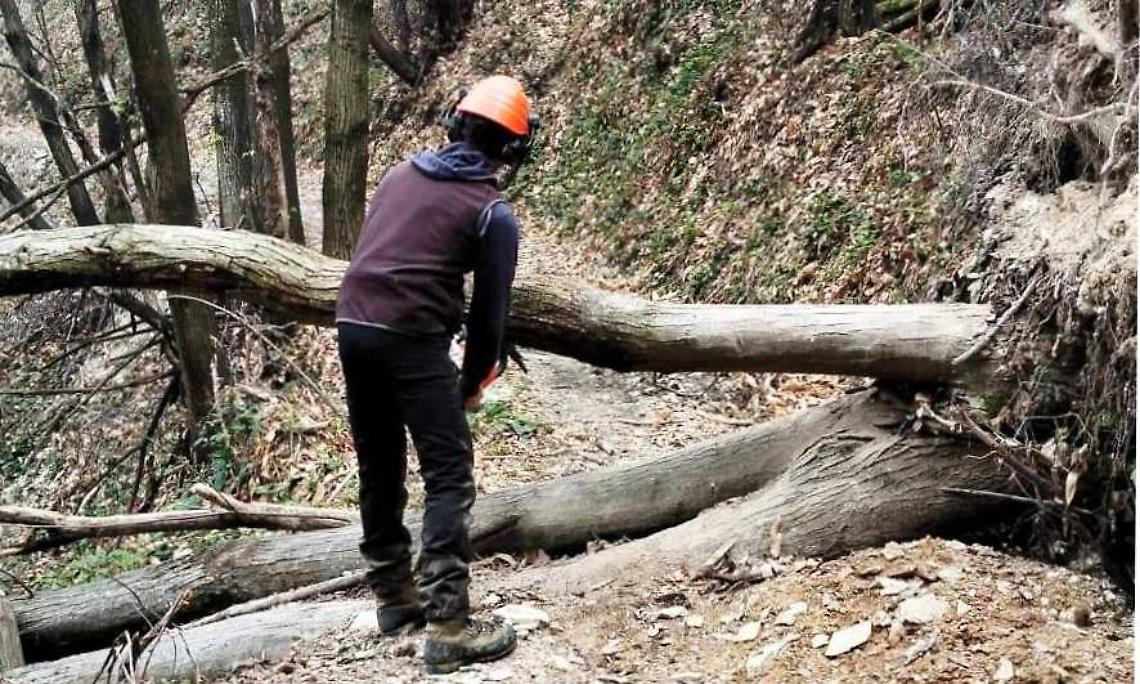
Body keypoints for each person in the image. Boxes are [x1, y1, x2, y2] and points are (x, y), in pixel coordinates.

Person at [335, 75, 534, 674]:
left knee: (379, 462)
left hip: (353, 323)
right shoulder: (493, 214)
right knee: (448, 473)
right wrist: (473, 383)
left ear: (455, 124)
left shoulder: (399, 174)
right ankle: (448, 623)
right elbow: (490, 318)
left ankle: (395, 596)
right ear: (512, 148)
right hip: (412, 337)